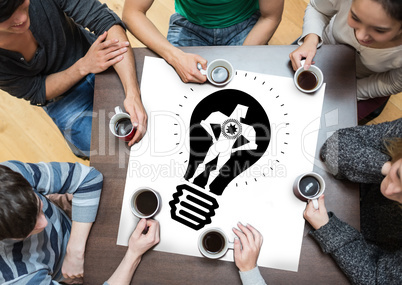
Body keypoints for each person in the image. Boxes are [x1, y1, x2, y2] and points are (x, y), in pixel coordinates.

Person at [0, 0, 147, 159]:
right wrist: (83, 66)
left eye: (22, 4)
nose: (21, 18)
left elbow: (104, 21)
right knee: (109, 152)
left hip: (95, 53)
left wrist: (132, 93)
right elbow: (37, 90)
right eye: (5, 17)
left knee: (151, 106)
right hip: (62, 97)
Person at [0, 160, 160, 284]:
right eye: (30, 229)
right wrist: (133, 254)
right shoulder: (16, 278)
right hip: (71, 273)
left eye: (39, 208)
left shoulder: (11, 175)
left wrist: (74, 251)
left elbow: (88, 178)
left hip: (72, 233)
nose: (44, 223)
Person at [303, 118, 402, 284]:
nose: (389, 191)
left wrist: (329, 230)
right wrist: (385, 168)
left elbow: (377, 280)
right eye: (399, 174)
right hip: (350, 196)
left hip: (368, 246)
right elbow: (334, 147)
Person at [289, 0, 402, 122]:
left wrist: (350, 91)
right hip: (322, 47)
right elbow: (318, 8)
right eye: (355, 17)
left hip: (367, 82)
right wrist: (311, 39)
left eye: (379, 30)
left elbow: (393, 82)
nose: (360, 36)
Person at [122, 0, 284, 83]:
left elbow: (270, 17)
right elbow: (132, 13)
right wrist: (175, 57)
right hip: (189, 24)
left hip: (244, 24)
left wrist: (242, 60)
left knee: (251, 87)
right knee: (174, 90)